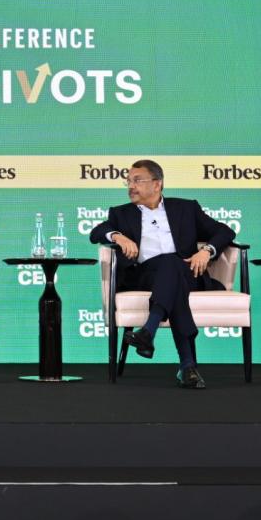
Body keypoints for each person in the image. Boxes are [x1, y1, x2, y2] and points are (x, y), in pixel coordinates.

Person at [88, 159, 235, 389]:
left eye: (137, 180)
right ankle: (186, 365)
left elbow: (225, 231)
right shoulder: (121, 213)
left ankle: (150, 331)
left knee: (172, 267)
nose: (131, 186)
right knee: (171, 272)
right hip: (145, 276)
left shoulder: (186, 208)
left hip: (188, 272)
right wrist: (118, 236)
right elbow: (97, 232)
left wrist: (206, 251)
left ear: (157, 184)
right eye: (128, 181)